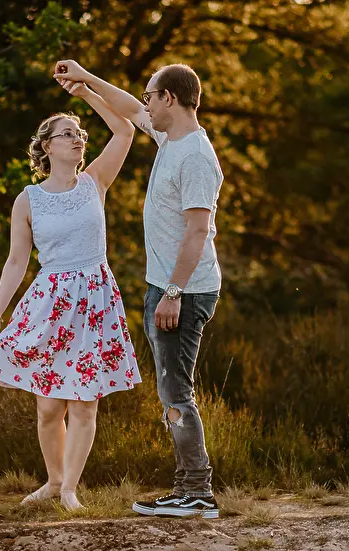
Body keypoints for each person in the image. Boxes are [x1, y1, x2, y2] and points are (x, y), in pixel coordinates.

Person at [52, 59, 224, 519]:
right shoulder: (171, 137)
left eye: (150, 95)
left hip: (182, 293)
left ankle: (196, 492)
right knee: (172, 391)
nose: (144, 102)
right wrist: (86, 80)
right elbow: (127, 108)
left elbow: (198, 233)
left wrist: (172, 293)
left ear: (169, 98)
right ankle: (191, 488)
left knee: (175, 393)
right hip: (166, 288)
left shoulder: (197, 158)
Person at [0, 77, 140, 511]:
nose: (78, 139)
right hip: (49, 304)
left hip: (94, 301)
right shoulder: (27, 200)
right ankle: (52, 482)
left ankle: (69, 491)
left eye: (80, 133)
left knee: (84, 405)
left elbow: (125, 130)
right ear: (46, 146)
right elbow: (16, 262)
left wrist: (85, 91)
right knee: (49, 409)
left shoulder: (95, 182)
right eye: (67, 133)